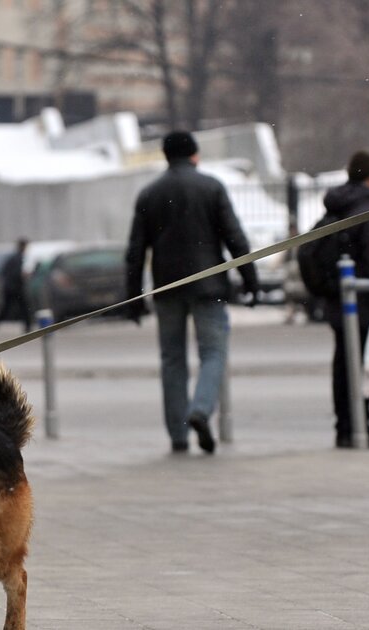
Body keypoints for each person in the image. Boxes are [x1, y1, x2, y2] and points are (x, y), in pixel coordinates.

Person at [124, 130, 259, 455]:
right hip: (209, 285)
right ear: (195, 155)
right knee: (213, 353)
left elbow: (135, 250)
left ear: (167, 156)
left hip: (167, 288)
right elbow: (235, 238)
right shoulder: (211, 187)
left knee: (172, 360)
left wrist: (134, 297)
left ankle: (178, 435)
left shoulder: (149, 194)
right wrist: (251, 280)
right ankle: (199, 410)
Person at [322, 150, 369, 449]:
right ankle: (360, 427)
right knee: (364, 367)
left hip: (339, 298)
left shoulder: (337, 206)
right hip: (365, 301)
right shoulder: (368, 210)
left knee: (343, 364)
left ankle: (345, 427)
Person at [0, 237, 32, 333]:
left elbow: (4, 272)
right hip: (15, 288)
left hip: (10, 287)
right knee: (22, 309)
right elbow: (16, 273)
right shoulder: (18, 258)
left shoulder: (12, 257)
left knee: (8, 310)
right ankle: (27, 328)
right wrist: (23, 277)